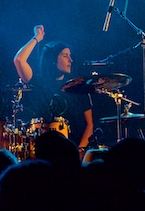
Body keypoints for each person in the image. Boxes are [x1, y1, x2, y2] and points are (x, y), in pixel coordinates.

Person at [12, 25, 94, 153]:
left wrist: (80, 151)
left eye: (70, 56)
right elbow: (19, 60)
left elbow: (89, 124)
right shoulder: (39, 82)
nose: (71, 60)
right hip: (45, 152)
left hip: (73, 153)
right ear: (53, 59)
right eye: (65, 56)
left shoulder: (78, 86)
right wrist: (37, 38)